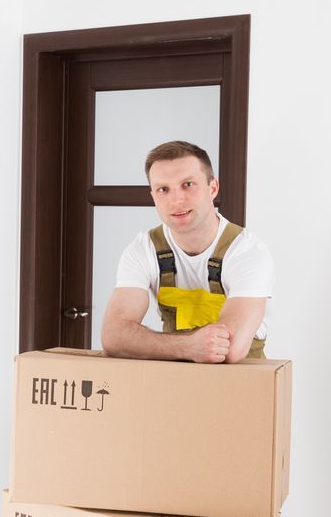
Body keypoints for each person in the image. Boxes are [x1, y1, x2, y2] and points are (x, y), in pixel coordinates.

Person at [101, 140, 274, 364]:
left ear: (213, 188)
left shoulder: (246, 252)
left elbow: (230, 350)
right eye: (163, 189)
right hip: (176, 378)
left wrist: (159, 344)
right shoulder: (143, 249)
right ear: (153, 196)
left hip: (240, 380)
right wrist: (189, 347)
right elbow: (114, 337)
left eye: (188, 184)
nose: (177, 199)